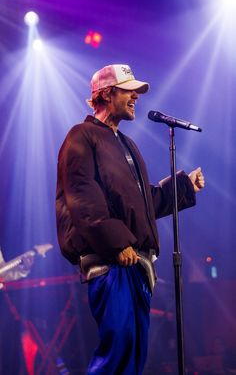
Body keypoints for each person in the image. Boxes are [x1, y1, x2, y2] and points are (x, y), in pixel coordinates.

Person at [56, 64, 205, 374]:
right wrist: (118, 242)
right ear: (107, 94)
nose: (136, 95)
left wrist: (184, 186)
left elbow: (142, 203)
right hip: (113, 262)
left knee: (134, 354)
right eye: (129, 90)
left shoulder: (125, 144)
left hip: (133, 264)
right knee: (119, 348)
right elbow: (83, 196)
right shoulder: (81, 136)